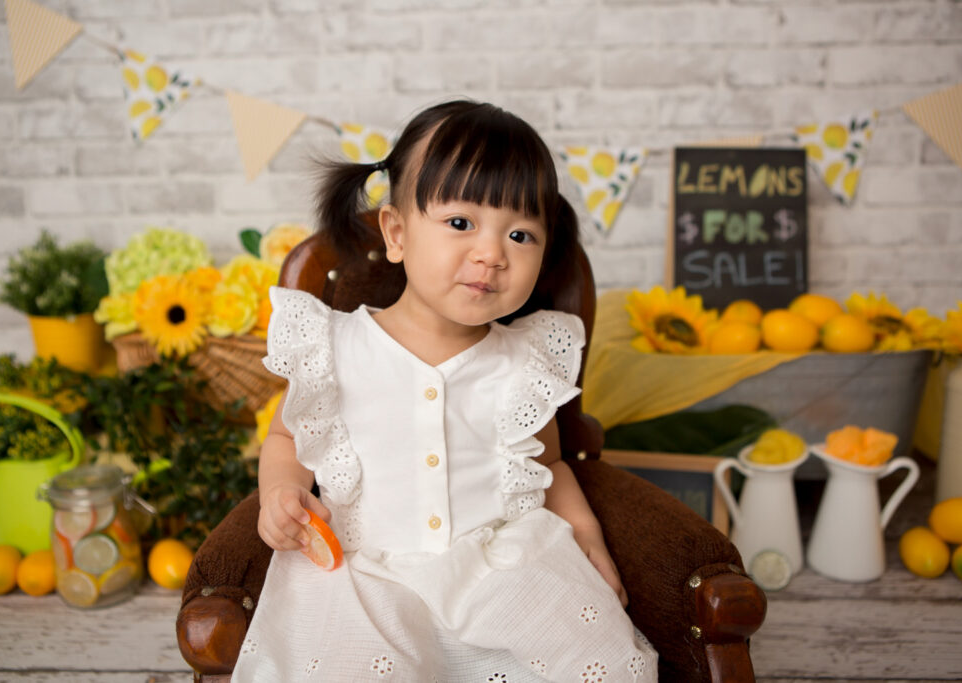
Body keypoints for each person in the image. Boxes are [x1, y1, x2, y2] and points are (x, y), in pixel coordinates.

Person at [233, 100, 657, 682]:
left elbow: (550, 464)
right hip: (366, 580)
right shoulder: (336, 347)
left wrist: (585, 535)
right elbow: (287, 437)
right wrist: (281, 492)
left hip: (503, 574)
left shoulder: (525, 362)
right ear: (397, 233)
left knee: (593, 665)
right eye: (461, 223)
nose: (492, 254)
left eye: (520, 234)